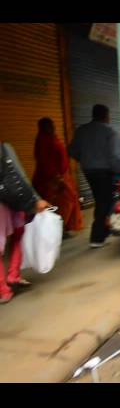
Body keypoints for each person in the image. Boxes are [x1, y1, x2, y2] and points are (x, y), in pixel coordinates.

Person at [68, 104, 120, 248]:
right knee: (105, 202)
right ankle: (97, 237)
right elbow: (115, 156)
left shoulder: (81, 130)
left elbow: (72, 151)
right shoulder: (110, 131)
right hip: (106, 172)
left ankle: (104, 231)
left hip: (89, 171)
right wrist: (118, 171)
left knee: (101, 200)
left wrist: (85, 160)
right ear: (106, 116)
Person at [0, 141, 50, 304]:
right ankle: (12, 276)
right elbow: (18, 175)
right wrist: (35, 199)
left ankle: (4, 289)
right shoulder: (5, 148)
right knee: (18, 234)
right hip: (9, 201)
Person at [32, 117, 83, 233]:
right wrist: (56, 178)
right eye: (49, 125)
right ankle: (55, 228)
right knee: (61, 202)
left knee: (66, 201)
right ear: (43, 127)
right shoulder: (43, 140)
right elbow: (44, 162)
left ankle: (61, 227)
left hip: (60, 176)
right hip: (52, 179)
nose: (53, 127)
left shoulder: (51, 138)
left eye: (52, 125)